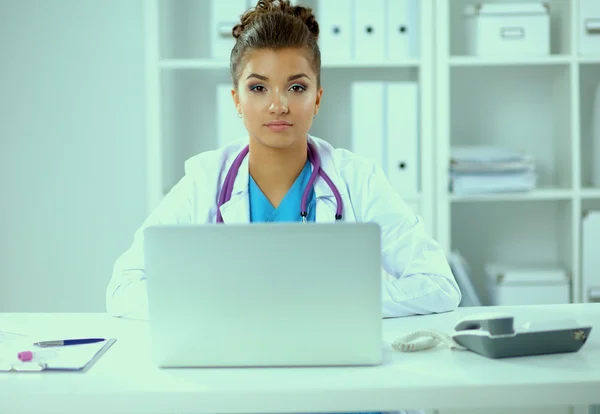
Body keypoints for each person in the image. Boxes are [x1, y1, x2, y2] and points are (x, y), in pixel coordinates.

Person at [106, 1, 460, 412]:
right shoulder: (205, 181)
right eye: (258, 88)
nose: (279, 105)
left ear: (318, 97)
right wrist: (217, 306)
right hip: (241, 394)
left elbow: (438, 285)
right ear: (237, 99)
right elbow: (122, 287)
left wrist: (332, 302)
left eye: (296, 87)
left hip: (345, 394)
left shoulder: (358, 179)